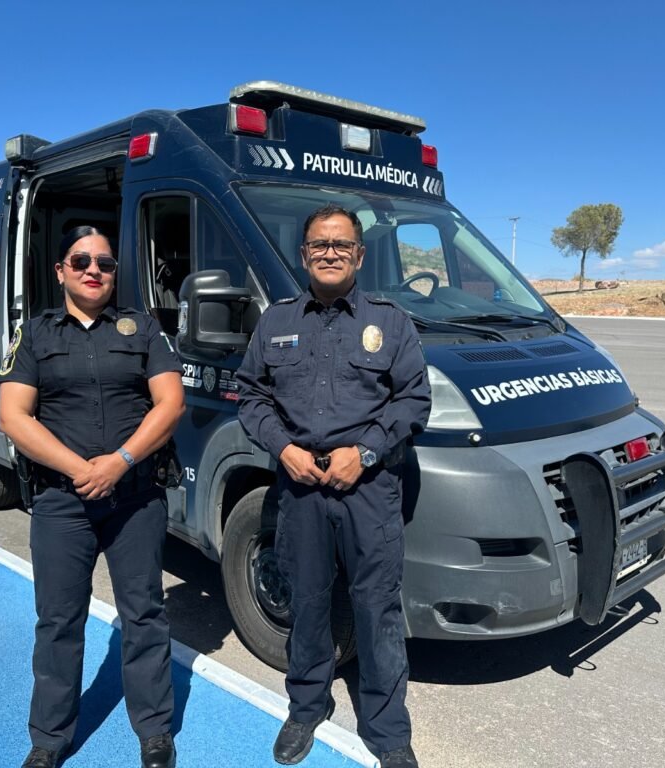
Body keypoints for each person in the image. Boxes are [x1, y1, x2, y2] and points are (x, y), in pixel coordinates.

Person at [237, 204, 431, 767]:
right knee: (308, 601)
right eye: (319, 244)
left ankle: (388, 732)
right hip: (300, 486)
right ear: (304, 255)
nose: (329, 253)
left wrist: (364, 453)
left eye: (341, 245)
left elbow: (414, 400)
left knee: (377, 609)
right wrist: (284, 449)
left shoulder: (390, 323)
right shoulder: (276, 322)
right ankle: (306, 707)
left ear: (359, 256)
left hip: (369, 487)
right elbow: (251, 394)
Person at [0, 226, 184, 768]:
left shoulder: (143, 329)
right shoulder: (35, 334)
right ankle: (49, 740)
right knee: (58, 621)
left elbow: (170, 404)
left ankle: (154, 732)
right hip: (62, 501)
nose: (93, 270)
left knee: (144, 614)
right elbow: (13, 416)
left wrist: (119, 462)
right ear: (61, 271)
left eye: (104, 262)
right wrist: (83, 470)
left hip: (135, 499)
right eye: (80, 261)